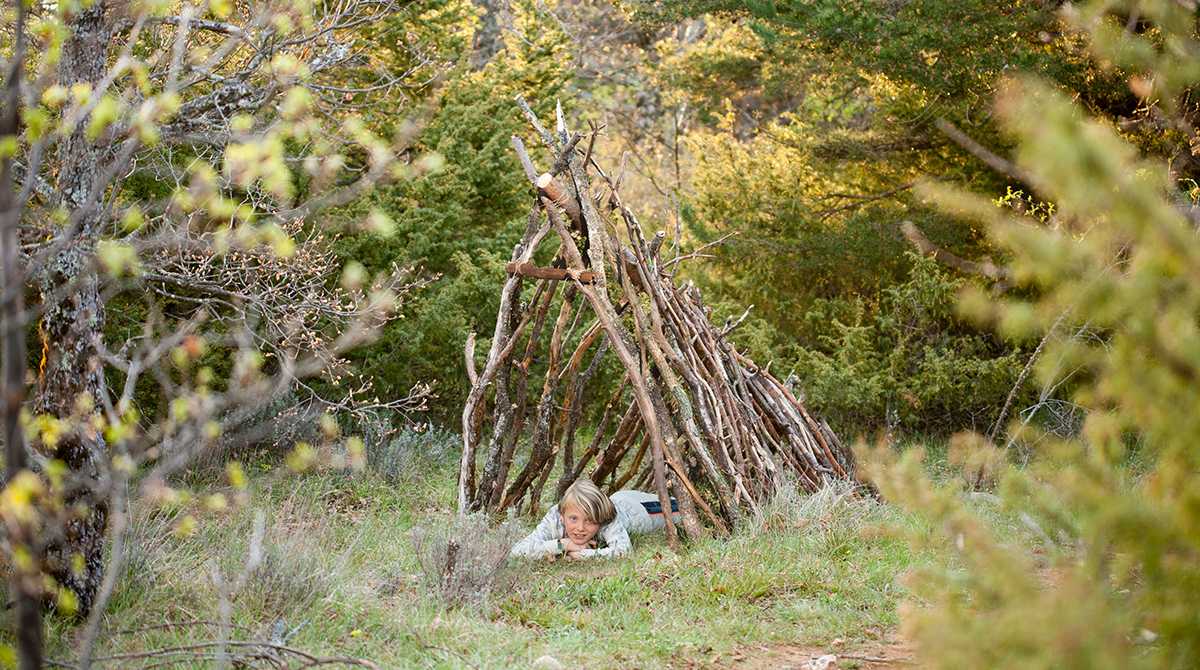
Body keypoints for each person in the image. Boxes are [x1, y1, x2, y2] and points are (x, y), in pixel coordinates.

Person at [509, 478, 679, 560]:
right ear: (563, 515)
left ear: (600, 518)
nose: (580, 528)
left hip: (642, 513)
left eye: (589, 521)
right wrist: (563, 544)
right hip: (620, 498)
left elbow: (623, 552)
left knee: (677, 509)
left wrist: (581, 554)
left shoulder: (607, 517)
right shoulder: (556, 515)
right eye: (573, 519)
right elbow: (517, 552)